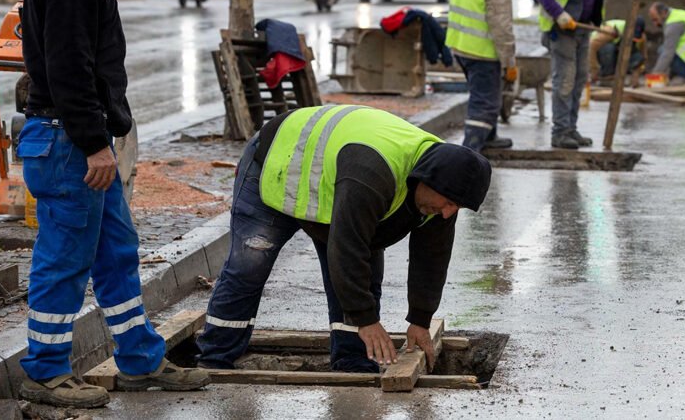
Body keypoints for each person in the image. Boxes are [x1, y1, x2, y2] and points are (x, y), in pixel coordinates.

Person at [18, 0, 209, 408]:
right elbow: (69, 67)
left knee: (117, 253)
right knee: (64, 259)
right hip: (70, 144)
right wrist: (94, 144)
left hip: (70, 139)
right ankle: (46, 371)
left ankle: (140, 359)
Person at [197, 105, 492, 372]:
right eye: (449, 203)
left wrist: (420, 319)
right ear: (427, 178)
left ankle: (352, 363)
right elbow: (347, 248)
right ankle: (215, 358)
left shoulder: (446, 185)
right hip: (279, 161)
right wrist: (367, 319)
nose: (448, 212)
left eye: (457, 207)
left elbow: (432, 258)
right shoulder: (374, 174)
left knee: (363, 278)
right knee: (249, 267)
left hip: (335, 182)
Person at [533, 0, 654, 150]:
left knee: (579, 80)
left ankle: (570, 129)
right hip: (562, 30)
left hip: (583, 27)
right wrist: (559, 14)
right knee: (565, 80)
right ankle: (560, 132)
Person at [445, 0, 521, 151]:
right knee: (485, 103)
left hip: (460, 47)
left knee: (484, 94)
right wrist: (509, 62)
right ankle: (470, 150)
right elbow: (501, 26)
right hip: (482, 52)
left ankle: (490, 137)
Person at [589, 16, 647, 85]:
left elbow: (643, 56)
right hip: (601, 52)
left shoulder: (642, 36)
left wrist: (639, 71)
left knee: (637, 55)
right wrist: (594, 69)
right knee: (609, 48)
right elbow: (591, 46)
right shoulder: (610, 31)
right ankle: (607, 75)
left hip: (617, 51)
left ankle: (624, 79)